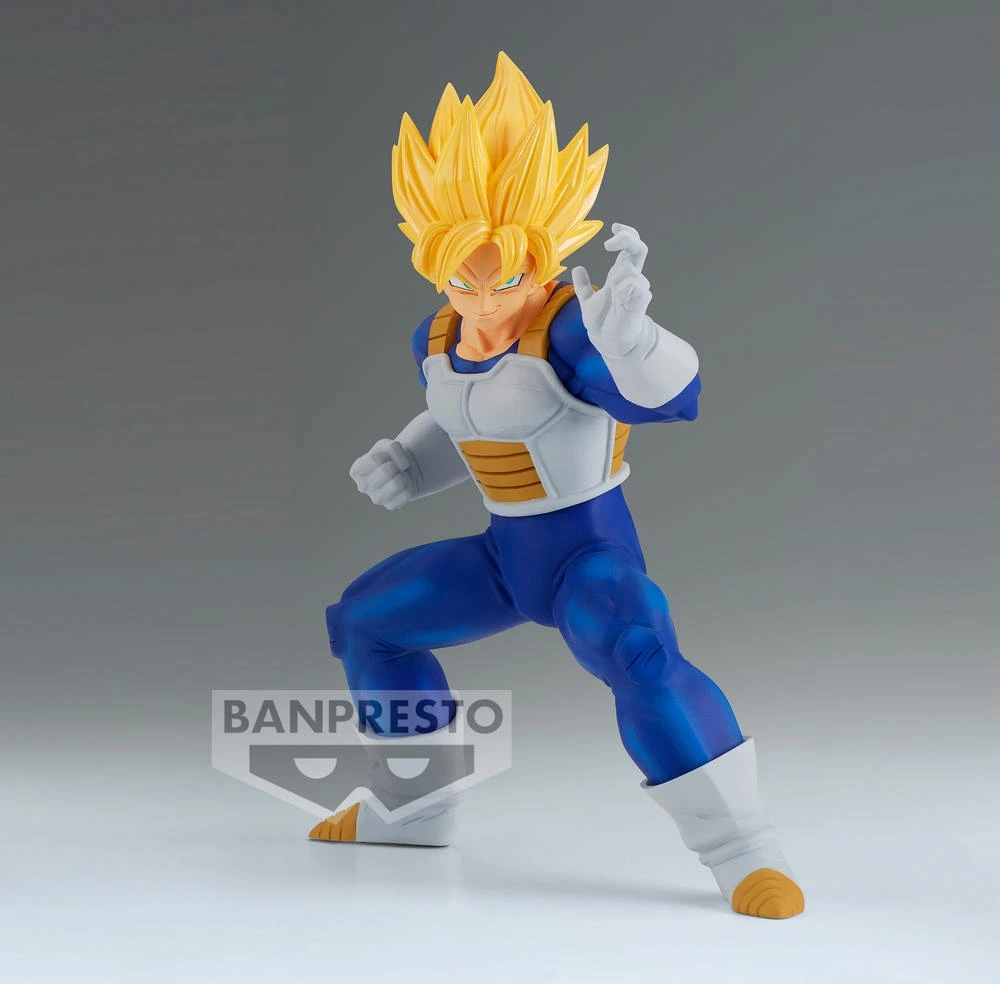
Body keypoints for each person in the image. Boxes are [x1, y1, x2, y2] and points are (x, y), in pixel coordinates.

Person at [312, 52, 805, 919]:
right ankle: (414, 811)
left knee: (637, 649)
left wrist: (635, 341)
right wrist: (408, 461)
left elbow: (674, 398)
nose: (481, 299)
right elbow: (467, 420)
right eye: (461, 277)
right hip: (504, 557)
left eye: (502, 278)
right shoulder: (438, 334)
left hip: (587, 555)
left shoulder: (573, 331)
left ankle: (744, 852)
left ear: (540, 258)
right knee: (366, 621)